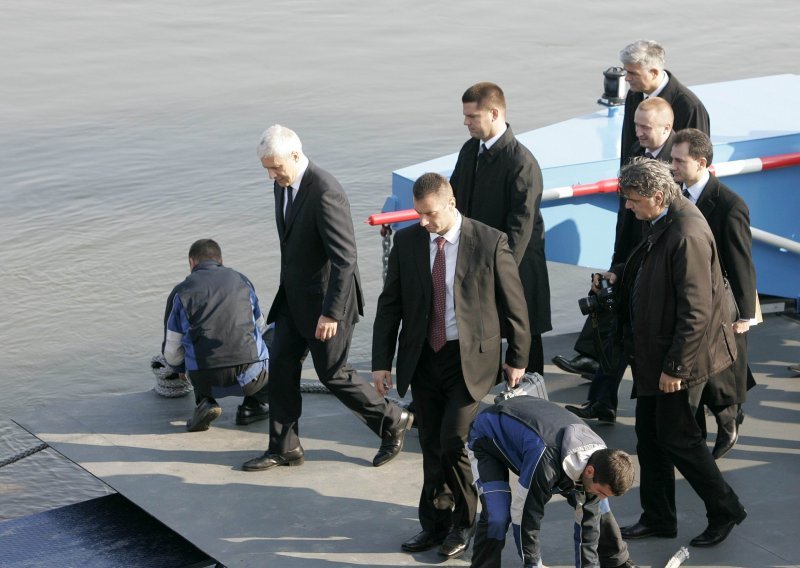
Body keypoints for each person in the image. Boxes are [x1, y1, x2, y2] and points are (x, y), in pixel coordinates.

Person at [372, 172, 530, 559]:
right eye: (419, 214)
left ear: (451, 203)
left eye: (430, 214)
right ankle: (435, 524)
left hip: (469, 360)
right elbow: (390, 304)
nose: (423, 222)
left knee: (453, 441)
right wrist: (380, 362)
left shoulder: (489, 241)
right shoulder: (409, 242)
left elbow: (515, 304)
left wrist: (517, 357)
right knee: (428, 443)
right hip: (424, 357)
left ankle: (465, 521)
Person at [242, 125, 413, 472]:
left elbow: (345, 258)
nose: (271, 176)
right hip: (293, 299)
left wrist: (331, 313)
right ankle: (285, 447)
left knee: (332, 373)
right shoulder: (284, 185)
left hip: (328, 303)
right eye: (267, 169)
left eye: (275, 167)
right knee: (282, 365)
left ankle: (391, 419)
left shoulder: (325, 191)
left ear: (295, 155)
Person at [603, 158, 746, 547]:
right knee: (650, 438)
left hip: (679, 363)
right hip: (656, 358)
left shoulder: (686, 233)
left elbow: (696, 311)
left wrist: (675, 368)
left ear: (658, 195)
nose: (629, 207)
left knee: (679, 438)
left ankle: (725, 508)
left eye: (633, 200)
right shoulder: (665, 220)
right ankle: (659, 517)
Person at [554, 39, 710, 378]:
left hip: (660, 214)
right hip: (636, 206)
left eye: (632, 74)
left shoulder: (687, 105)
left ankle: (598, 364)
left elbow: (693, 165)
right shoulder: (636, 98)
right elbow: (629, 145)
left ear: (654, 72)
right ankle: (596, 360)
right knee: (616, 274)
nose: (626, 80)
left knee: (632, 286)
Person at [565, 97, 677, 422]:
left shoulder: (674, 165)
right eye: (637, 125)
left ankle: (723, 410)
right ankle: (602, 401)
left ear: (666, 128)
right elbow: (627, 217)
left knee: (629, 338)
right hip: (631, 262)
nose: (638, 132)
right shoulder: (636, 153)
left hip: (654, 270)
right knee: (616, 334)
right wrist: (617, 265)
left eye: (646, 127)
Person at [448, 82, 551, 375]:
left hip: (513, 266)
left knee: (524, 332)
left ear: (494, 113)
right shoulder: (470, 151)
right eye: (465, 116)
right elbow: (455, 199)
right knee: (480, 330)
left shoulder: (521, 164)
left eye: (472, 117)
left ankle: (532, 398)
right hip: (478, 260)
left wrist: (498, 271)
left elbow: (520, 228)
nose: (466, 123)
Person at [467, 396, 636, 568]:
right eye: (602, 492)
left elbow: (589, 528)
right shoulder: (545, 464)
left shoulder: (601, 459)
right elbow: (525, 515)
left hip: (532, 433)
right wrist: (534, 564)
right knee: (497, 517)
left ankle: (617, 561)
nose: (601, 496)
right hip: (487, 436)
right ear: (590, 471)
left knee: (599, 507)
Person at [670, 128, 757, 459]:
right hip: (691, 297)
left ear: (701, 162)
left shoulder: (729, 204)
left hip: (722, 303)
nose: (673, 165)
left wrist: (745, 314)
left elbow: (740, 261)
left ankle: (728, 420)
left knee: (721, 370)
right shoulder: (676, 196)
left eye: (679, 160)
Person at [163, 239, 270, 432]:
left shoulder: (180, 293)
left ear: (191, 263)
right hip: (250, 381)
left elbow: (171, 351)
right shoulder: (242, 281)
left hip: (205, 381)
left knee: (191, 345)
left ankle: (205, 402)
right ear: (221, 260)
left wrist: (179, 368)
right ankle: (252, 405)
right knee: (275, 333)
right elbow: (260, 328)